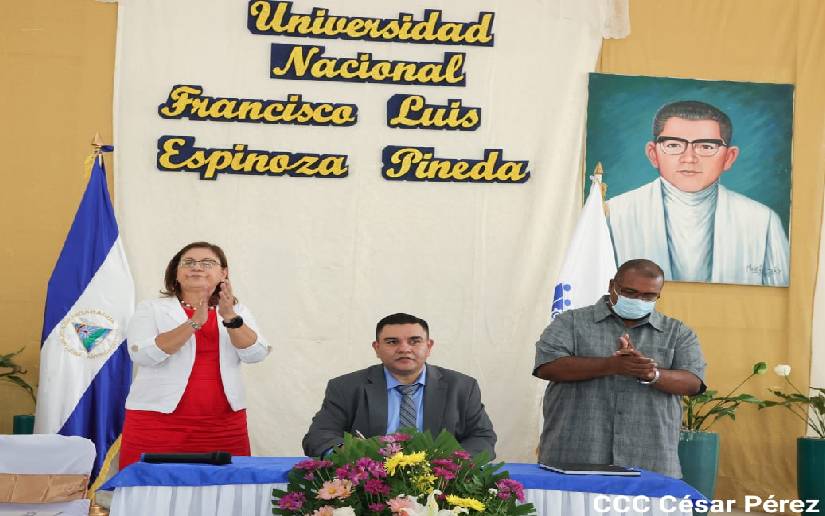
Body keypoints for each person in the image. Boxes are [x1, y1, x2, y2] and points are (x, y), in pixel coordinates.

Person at [533, 259, 706, 478]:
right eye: (630, 292)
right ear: (611, 286)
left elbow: (693, 383)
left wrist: (651, 374)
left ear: (658, 295)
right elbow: (547, 366)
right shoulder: (571, 322)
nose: (638, 300)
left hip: (651, 460)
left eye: (648, 296)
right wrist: (611, 365)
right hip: (574, 456)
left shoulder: (678, 332)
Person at [119, 241, 271, 468]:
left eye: (207, 263)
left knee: (225, 487)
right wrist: (194, 322)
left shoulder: (238, 311)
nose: (197, 267)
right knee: (150, 486)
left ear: (223, 273)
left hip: (223, 426)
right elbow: (142, 355)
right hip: (156, 423)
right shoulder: (151, 308)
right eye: (188, 262)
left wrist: (230, 318)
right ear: (176, 273)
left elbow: (256, 354)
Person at [607, 100, 789, 286]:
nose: (689, 158)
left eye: (706, 147)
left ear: (729, 157)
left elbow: (780, 293)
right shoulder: (613, 215)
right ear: (653, 154)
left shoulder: (763, 221)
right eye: (673, 145)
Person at [302, 313, 497, 458]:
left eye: (414, 341)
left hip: (441, 483)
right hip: (369, 483)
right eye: (392, 342)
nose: (404, 348)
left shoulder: (462, 387)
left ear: (429, 346)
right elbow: (320, 436)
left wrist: (451, 464)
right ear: (377, 348)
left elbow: (482, 438)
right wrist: (350, 456)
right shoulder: (346, 387)